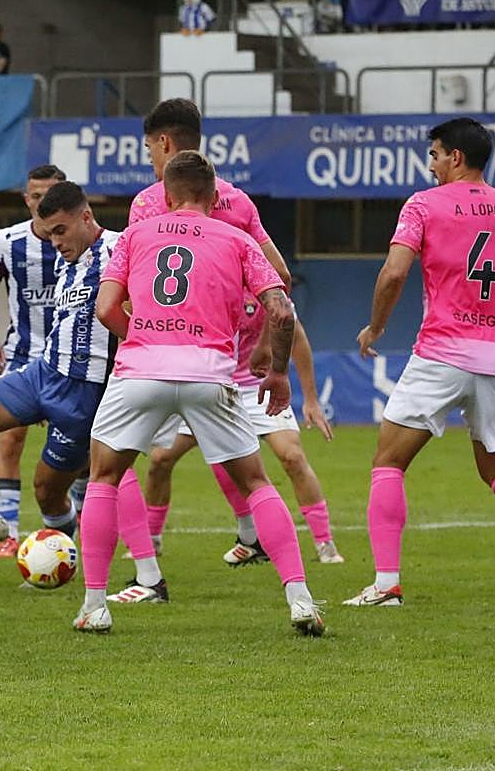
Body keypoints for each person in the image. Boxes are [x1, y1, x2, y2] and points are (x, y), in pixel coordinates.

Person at [76, 150, 324, 636]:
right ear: (213, 197)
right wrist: (277, 373)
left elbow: (105, 308)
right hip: (210, 372)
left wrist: (141, 338)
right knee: (256, 483)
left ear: (166, 197)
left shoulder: (135, 235)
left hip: (140, 371)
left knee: (104, 477)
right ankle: (300, 600)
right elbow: (280, 309)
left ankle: (94, 606)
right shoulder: (237, 239)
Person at [346, 117, 495, 608]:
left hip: (442, 351)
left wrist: (376, 327)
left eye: (435, 155)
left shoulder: (423, 205)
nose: (431, 165)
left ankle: (386, 584)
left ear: (455, 157)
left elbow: (394, 273)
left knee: (388, 462)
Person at [125, 98, 340, 566]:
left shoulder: (147, 203)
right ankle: (288, 577)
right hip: (219, 359)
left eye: (149, 148)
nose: (150, 157)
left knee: (110, 463)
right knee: (232, 462)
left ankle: (135, 569)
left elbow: (134, 284)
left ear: (164, 143)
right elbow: (279, 276)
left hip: (172, 355)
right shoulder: (237, 201)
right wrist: (268, 346)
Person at [0, 182, 166, 604]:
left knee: (48, 490)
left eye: (61, 231)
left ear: (86, 217)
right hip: (42, 373)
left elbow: (146, 305)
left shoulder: (122, 248)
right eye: (48, 235)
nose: (55, 242)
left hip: (84, 394)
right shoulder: (68, 262)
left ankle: (77, 555)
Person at [0, 164, 65, 558]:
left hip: (70, 358)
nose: (41, 202)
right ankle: (9, 533)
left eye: (49, 194)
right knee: (10, 440)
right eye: (35, 195)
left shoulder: (80, 240)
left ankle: (69, 528)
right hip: (23, 354)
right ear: (26, 199)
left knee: (77, 447)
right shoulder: (7, 241)